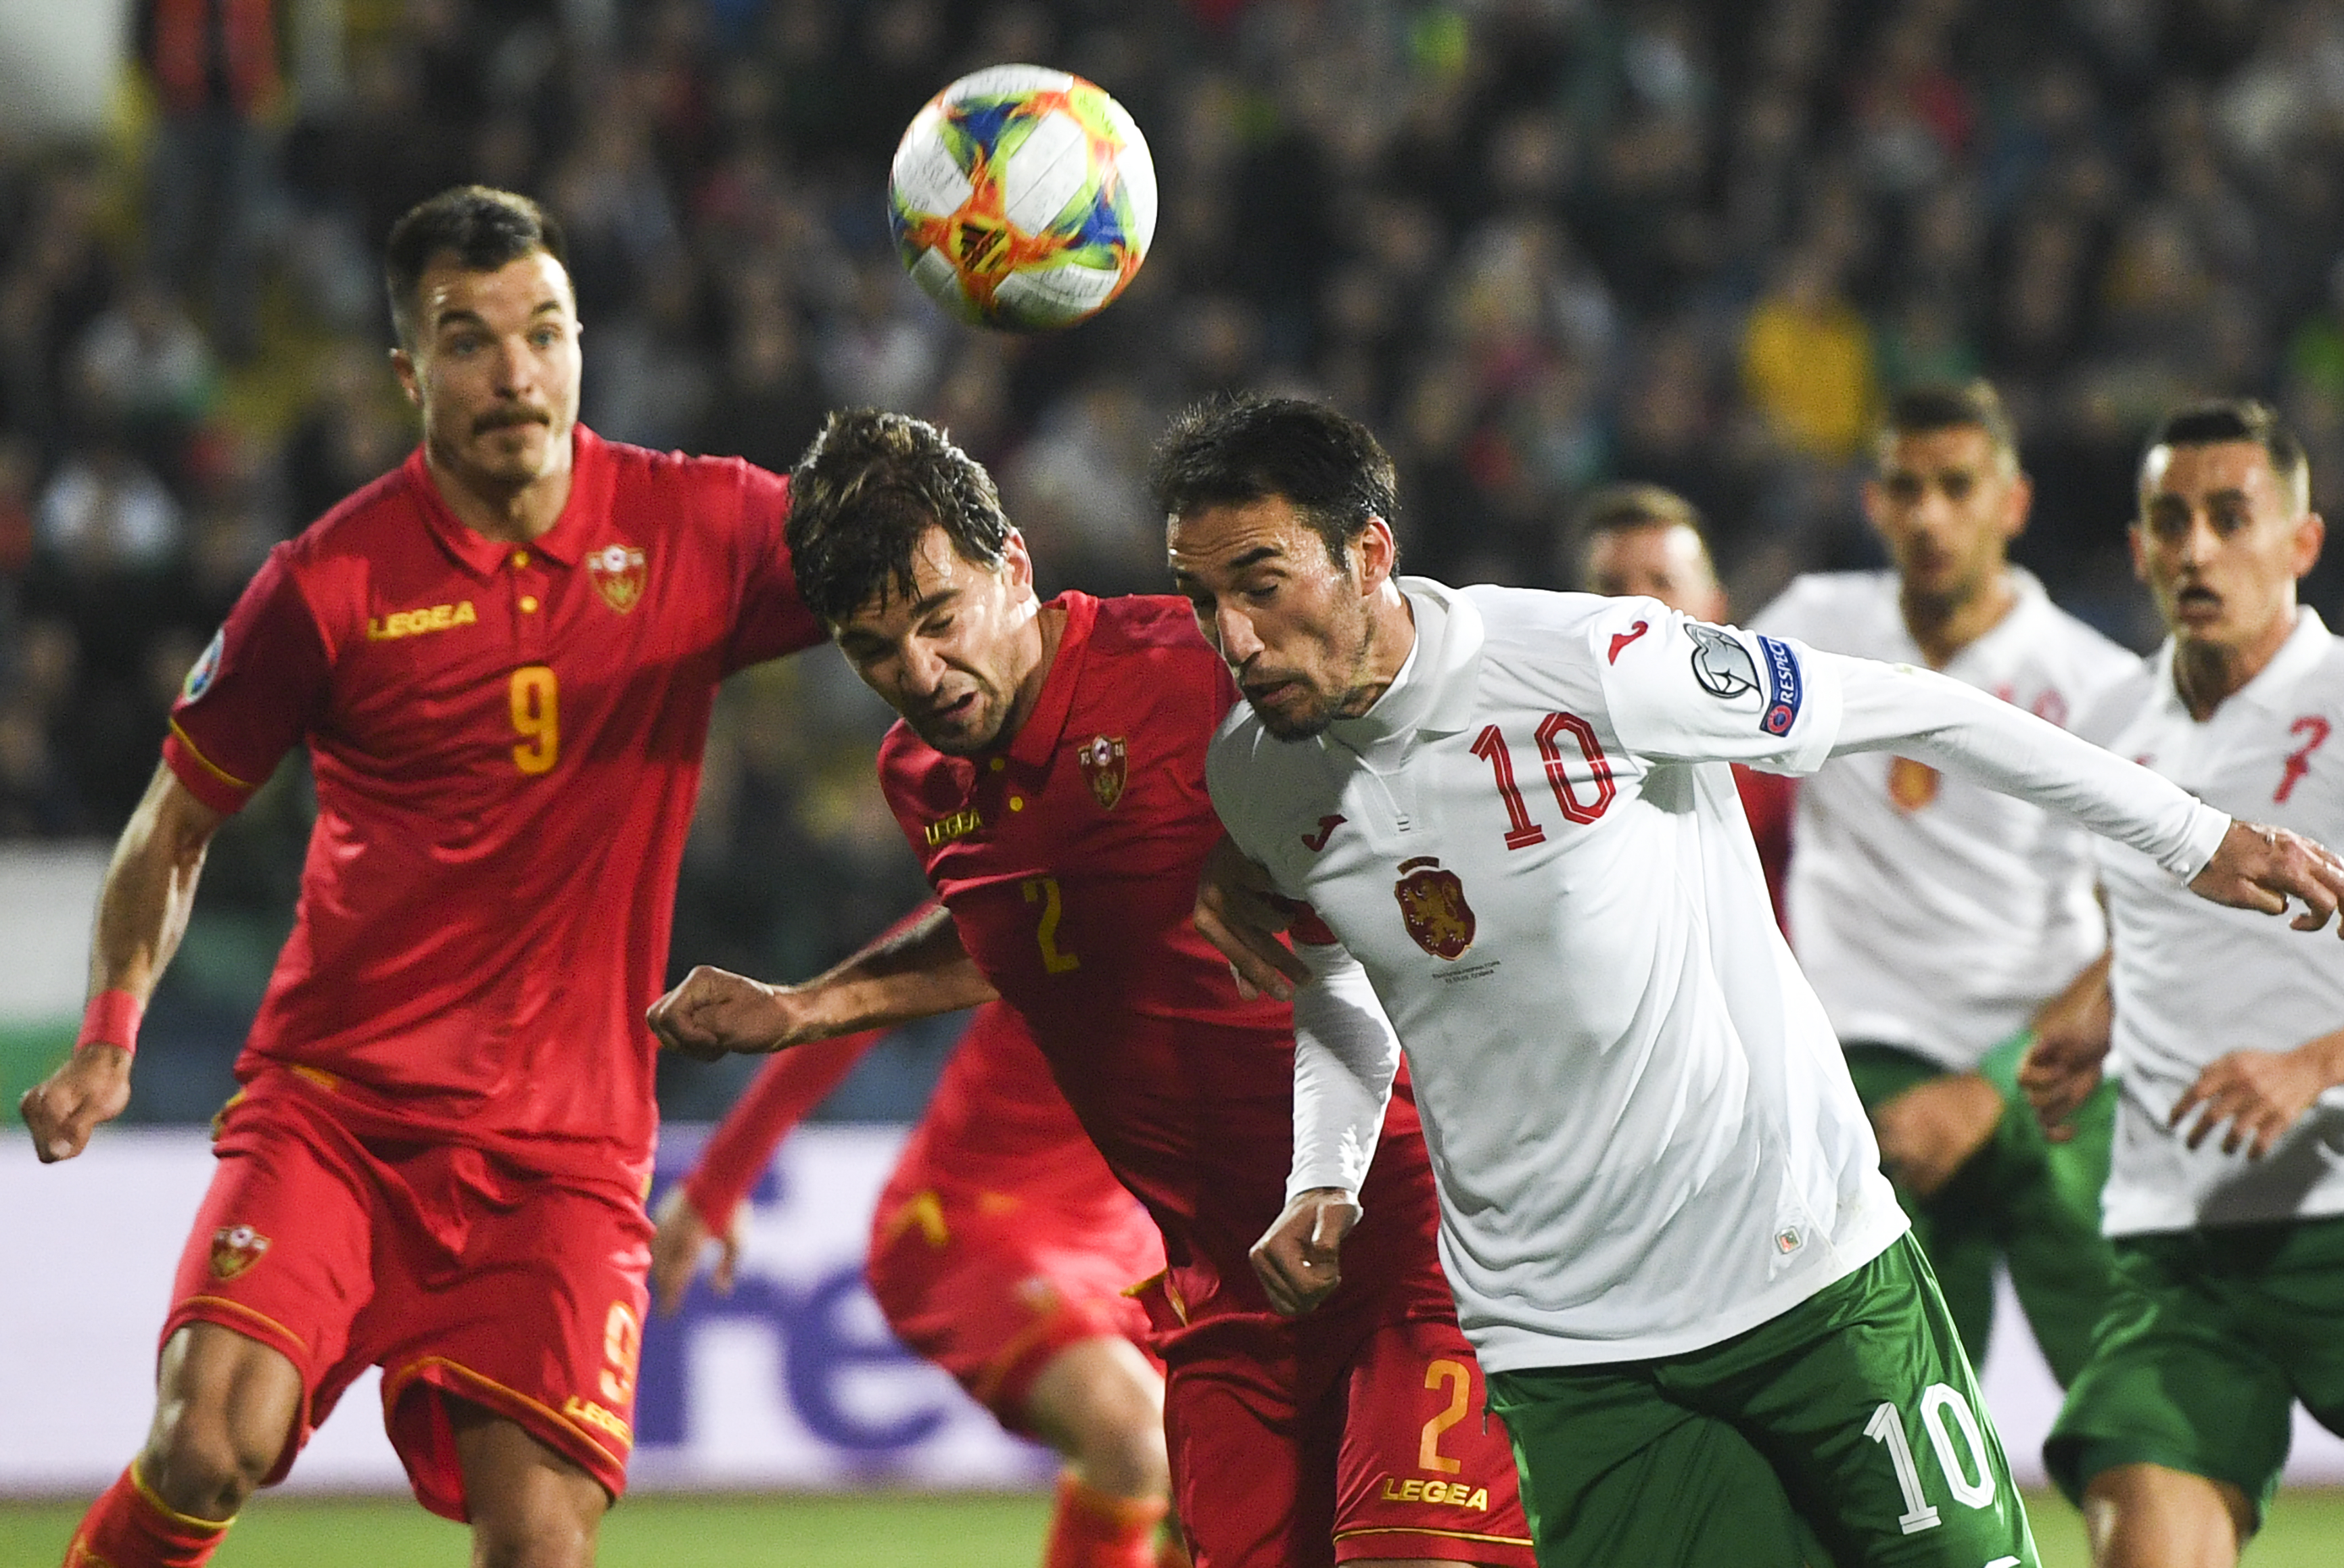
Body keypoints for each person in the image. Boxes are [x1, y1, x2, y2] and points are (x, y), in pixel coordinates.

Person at [1163, 396, 2344, 1568]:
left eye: (1261, 584)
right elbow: (1334, 974)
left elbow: (1926, 710)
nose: (1235, 638)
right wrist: (1325, 1168)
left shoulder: (1598, 660)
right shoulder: (1260, 778)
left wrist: (2194, 838)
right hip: (1564, 1343)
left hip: (1804, 1268)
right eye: (1203, 598)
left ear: (1368, 553)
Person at [18, 186, 827, 1568]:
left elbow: (905, 571)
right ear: (408, 373)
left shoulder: (701, 525)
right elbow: (170, 825)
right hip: (341, 1110)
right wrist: (109, 1041)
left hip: (566, 1149)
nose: (516, 372)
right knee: (204, 1441)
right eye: (468, 341)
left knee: (539, 1544)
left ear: (584, 342)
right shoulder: (327, 584)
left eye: (546, 332)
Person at [647, 408, 1537, 1568]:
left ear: (1012, 563)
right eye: (873, 649)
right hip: (1227, 1289)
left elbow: (1436, 757)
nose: (920, 672)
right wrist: (808, 1006)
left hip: (1409, 1232)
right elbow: (1020, 925)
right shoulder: (921, 777)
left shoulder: (1200, 670)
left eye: (938, 616)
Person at [2024, 400, 2344, 1568]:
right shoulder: (2111, 727)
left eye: (2231, 517)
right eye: (2172, 521)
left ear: (2302, 542)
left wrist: (2313, 1063)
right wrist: (2094, 1012)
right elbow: (2159, 925)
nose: (2197, 549)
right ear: (2137, 548)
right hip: (2178, 1249)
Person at [1750, 381, 2136, 1382]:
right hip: (1867, 1081)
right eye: (1904, 488)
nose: (1928, 514)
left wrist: (1993, 1084)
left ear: (2012, 503)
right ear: (1872, 502)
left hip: (2047, 1077)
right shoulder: (1809, 625)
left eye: (1957, 487)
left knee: (2139, 1423)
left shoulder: (2092, 681)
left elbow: (2147, 921)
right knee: (1888, 1438)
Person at [651, 987, 1181, 1568]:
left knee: (1229, 1467)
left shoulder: (1279, 934)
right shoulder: (1070, 898)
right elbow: (853, 999)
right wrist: (718, 1183)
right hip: (964, 1221)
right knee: (1129, 1436)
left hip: (1129, 1236)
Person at [1569, 483, 1795, 928]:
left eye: (1663, 582)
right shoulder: (1529, 757)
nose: (1635, 605)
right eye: (1611, 585)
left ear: (1715, 608)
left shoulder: (1779, 754)